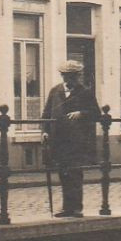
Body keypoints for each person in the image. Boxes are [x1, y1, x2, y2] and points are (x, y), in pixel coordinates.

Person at [42, 60, 99, 218]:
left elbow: (96, 113)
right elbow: (46, 114)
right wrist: (45, 131)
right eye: (65, 76)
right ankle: (67, 207)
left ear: (78, 76)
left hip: (76, 140)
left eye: (72, 77)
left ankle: (76, 208)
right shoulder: (55, 91)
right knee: (63, 173)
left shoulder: (85, 92)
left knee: (75, 173)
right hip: (58, 139)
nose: (68, 80)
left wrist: (82, 113)